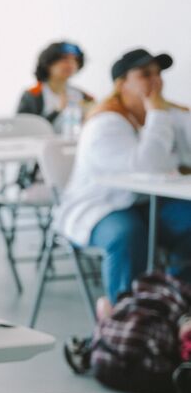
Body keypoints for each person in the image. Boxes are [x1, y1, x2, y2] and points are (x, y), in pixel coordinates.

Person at [57, 49, 191, 303]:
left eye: (158, 74)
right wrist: (158, 114)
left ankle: (175, 303)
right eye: (145, 74)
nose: (156, 81)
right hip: (102, 206)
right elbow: (149, 165)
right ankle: (126, 313)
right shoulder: (105, 122)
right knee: (128, 234)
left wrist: (166, 114)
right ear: (121, 84)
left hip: (146, 202)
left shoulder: (164, 114)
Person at [16, 41, 94, 129]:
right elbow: (22, 128)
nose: (70, 64)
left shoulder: (83, 95)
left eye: (75, 60)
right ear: (49, 63)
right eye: (64, 59)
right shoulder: (33, 94)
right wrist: (57, 111)